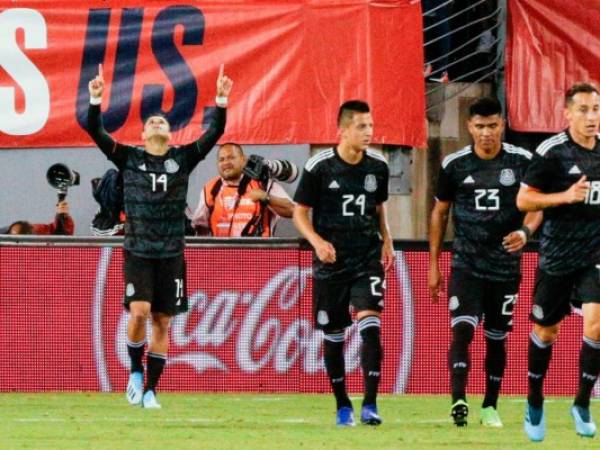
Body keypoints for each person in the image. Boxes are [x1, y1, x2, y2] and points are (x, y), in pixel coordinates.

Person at [86, 63, 233, 408]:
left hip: (171, 252)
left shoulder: (182, 159)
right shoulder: (129, 157)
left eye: (162, 122)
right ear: (142, 135)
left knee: (162, 320)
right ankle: (135, 373)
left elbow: (213, 135)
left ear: (170, 134)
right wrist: (96, 99)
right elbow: (97, 133)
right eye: (151, 121)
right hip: (138, 249)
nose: (157, 123)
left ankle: (151, 390)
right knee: (138, 312)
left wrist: (222, 100)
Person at [429, 97, 542, 427]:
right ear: (469, 127)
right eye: (479, 127)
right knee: (462, 331)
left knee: (496, 337)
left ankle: (490, 405)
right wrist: (434, 264)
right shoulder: (454, 165)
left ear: (502, 125)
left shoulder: (523, 162)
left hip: (506, 267)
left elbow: (537, 206)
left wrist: (525, 230)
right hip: (466, 264)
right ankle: (459, 400)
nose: (486, 133)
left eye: (492, 126)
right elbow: (439, 213)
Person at [293, 100, 394, 426]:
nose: (369, 132)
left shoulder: (378, 165)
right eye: (361, 127)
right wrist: (317, 242)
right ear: (343, 130)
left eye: (370, 126)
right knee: (333, 335)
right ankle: (342, 405)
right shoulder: (320, 166)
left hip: (366, 257)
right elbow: (299, 212)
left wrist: (387, 239)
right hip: (331, 263)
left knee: (371, 327)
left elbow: (378, 207)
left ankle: (370, 404)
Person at [517, 83, 600, 441]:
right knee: (546, 332)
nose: (591, 117)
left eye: (596, 109)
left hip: (594, 255)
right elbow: (523, 201)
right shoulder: (551, 153)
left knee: (597, 326)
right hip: (556, 257)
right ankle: (535, 399)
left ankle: (581, 402)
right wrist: (565, 196)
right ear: (567, 113)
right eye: (583, 110)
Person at [191, 143, 294, 236]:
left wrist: (265, 197)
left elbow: (293, 211)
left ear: (243, 159)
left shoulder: (263, 183)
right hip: (221, 254)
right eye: (221, 159)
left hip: (259, 253)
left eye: (231, 157)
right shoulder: (211, 188)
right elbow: (199, 226)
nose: (226, 162)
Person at [5, 201, 75, 235]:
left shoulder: (38, 231)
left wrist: (63, 217)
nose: (18, 244)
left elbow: (58, 233)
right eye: (16, 241)